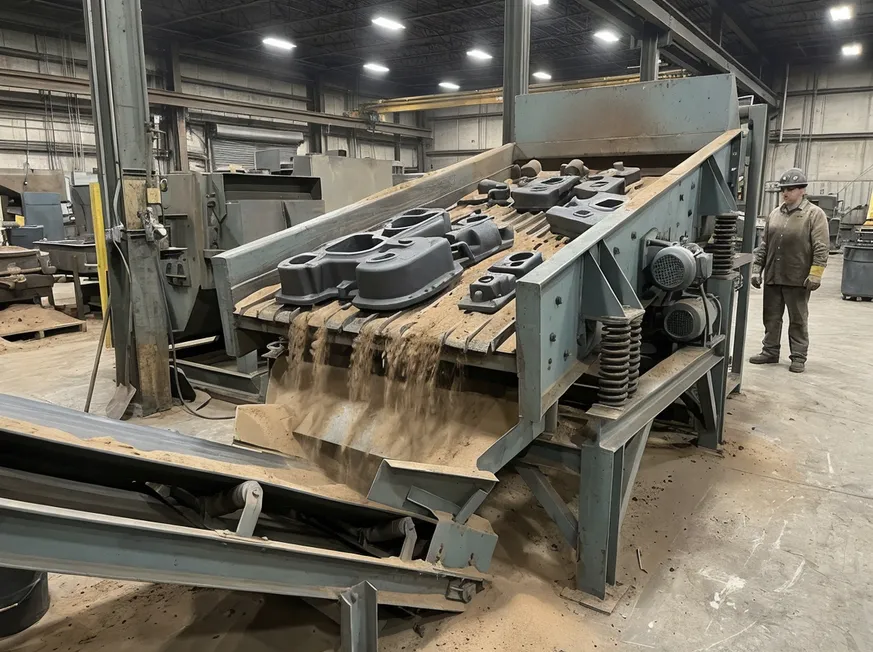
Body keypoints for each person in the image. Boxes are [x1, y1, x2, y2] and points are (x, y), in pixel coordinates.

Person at [748, 168, 829, 374]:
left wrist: (816, 273)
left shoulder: (814, 214)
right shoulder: (775, 214)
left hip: (798, 278)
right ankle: (770, 351)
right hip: (774, 275)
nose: (785, 193)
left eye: (790, 189)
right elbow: (765, 244)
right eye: (783, 189)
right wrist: (757, 269)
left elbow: (821, 246)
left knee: (798, 319)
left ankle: (799, 357)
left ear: (802, 190)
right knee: (771, 317)